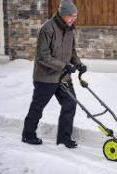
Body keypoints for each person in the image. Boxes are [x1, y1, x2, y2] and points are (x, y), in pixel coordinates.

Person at [22, 0, 87, 148]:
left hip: (63, 77)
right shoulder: (48, 29)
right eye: (70, 16)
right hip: (45, 77)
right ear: (63, 15)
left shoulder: (70, 29)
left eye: (75, 16)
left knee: (70, 104)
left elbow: (72, 52)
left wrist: (78, 64)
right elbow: (43, 56)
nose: (73, 19)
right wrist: (64, 66)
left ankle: (64, 138)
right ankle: (28, 134)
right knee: (38, 107)